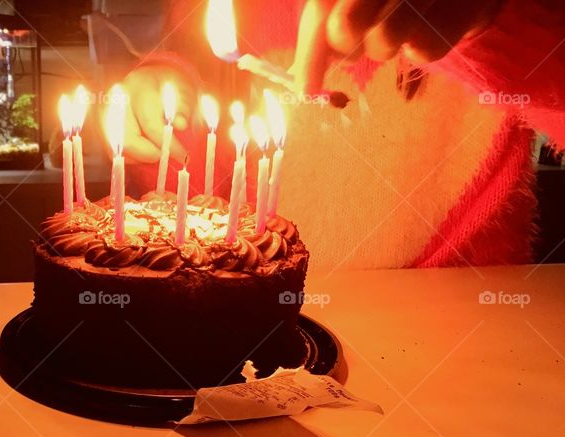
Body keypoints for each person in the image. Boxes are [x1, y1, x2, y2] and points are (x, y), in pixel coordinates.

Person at [118, 0, 565, 269]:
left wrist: (496, 21)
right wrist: (161, 90)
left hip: (463, 339)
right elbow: (203, 193)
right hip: (259, 337)